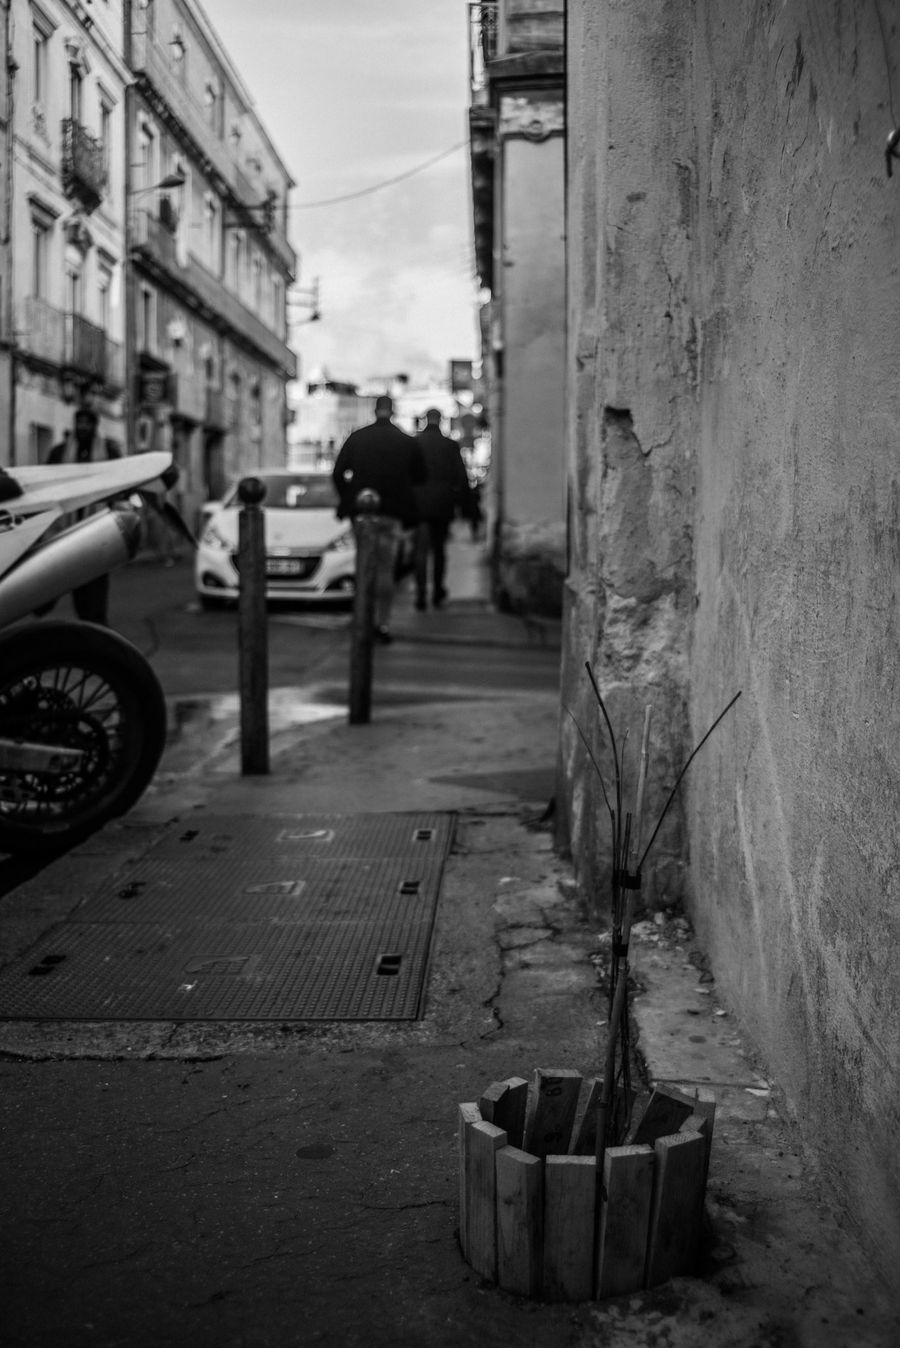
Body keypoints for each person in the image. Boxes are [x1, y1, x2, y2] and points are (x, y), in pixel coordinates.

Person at [332, 394, 425, 642]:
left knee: (364, 565)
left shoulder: (358, 438)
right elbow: (420, 477)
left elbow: (338, 473)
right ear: (392, 412)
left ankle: (362, 618)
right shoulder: (406, 441)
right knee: (385, 569)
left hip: (362, 514)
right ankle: (382, 623)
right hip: (392, 513)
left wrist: (350, 498)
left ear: (375, 411)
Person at [48, 407, 120, 624]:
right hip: (69, 532)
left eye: (87, 423)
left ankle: (97, 629)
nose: (83, 427)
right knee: (77, 589)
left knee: (96, 593)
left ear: (94, 426)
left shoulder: (109, 453)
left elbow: (118, 487)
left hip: (98, 532)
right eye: (79, 422)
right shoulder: (60, 453)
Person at [412, 408, 476, 610]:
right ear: (440, 421)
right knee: (439, 551)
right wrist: (465, 506)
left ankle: (421, 594)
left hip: (419, 506)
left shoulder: (415, 444)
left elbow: (407, 474)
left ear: (425, 420)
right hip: (442, 505)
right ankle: (437, 592)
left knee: (420, 552)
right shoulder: (449, 445)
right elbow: (461, 477)